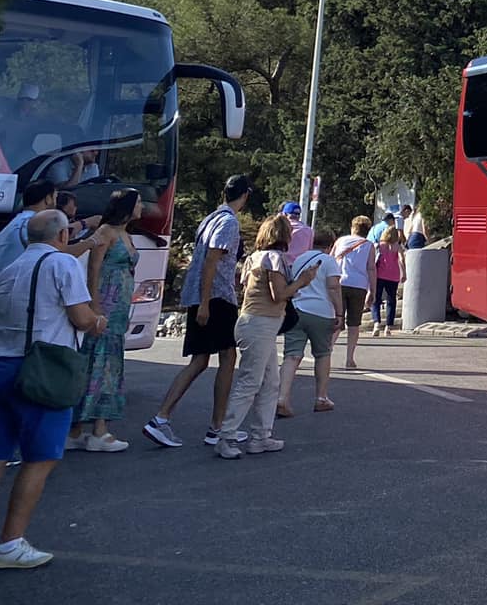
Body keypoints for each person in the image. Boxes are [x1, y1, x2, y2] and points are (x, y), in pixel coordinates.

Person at [0, 209, 105, 572]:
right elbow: (81, 317)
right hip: (42, 370)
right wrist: (98, 322)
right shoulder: (62, 265)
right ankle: (10, 543)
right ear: (63, 236)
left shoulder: (8, 270)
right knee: (40, 459)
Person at [143, 173, 252, 450]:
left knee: (200, 360)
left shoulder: (211, 218)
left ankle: (162, 418)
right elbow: (212, 261)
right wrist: (205, 303)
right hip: (215, 296)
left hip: (201, 294)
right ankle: (218, 427)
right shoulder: (228, 222)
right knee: (228, 356)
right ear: (245, 195)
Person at [213, 213, 304, 458]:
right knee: (251, 382)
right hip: (262, 323)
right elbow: (279, 294)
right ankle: (228, 435)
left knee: (269, 381)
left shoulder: (255, 258)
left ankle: (260, 435)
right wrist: (303, 281)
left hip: (253, 322)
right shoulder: (275, 259)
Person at [75, 188, 141, 453]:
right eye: (137, 204)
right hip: (106, 302)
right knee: (98, 361)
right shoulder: (105, 232)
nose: (142, 208)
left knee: (109, 362)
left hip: (120, 306)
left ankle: (81, 428)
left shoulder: (126, 233)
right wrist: (95, 303)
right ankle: (97, 429)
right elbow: (94, 268)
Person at [277, 228, 341, 417]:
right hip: (321, 312)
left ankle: (282, 397)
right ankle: (321, 398)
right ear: (330, 245)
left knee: (292, 356)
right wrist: (340, 313)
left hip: (297, 310)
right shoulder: (329, 261)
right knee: (322, 354)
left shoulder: (298, 260)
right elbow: (334, 287)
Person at [0, 183, 93, 279]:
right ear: (48, 199)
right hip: (14, 289)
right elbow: (61, 254)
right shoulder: (30, 223)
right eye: (55, 197)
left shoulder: (19, 221)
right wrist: (94, 239)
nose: (56, 202)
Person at [332, 216, 373, 370]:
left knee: (337, 320)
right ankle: (349, 358)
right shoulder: (369, 245)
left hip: (339, 283)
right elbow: (371, 268)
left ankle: (327, 352)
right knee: (354, 324)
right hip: (359, 286)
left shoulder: (340, 241)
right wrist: (372, 290)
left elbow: (330, 259)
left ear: (353, 227)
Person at [370, 225, 405, 337]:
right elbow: (401, 259)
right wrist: (404, 273)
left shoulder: (379, 246)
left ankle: (376, 323)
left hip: (379, 275)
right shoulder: (397, 247)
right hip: (393, 276)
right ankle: (388, 327)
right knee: (391, 301)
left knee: (376, 299)